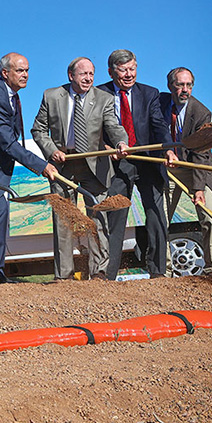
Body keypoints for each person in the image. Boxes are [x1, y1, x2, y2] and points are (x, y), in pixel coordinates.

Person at [31, 57, 128, 281]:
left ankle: (99, 272)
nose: (88, 78)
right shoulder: (51, 96)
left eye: (91, 74)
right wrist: (51, 150)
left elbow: (113, 126)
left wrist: (121, 143)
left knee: (98, 217)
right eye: (83, 74)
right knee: (64, 220)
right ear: (71, 75)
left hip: (95, 165)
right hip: (63, 165)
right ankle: (63, 276)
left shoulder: (104, 98)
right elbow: (39, 129)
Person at [0, 53, 58, 285]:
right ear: (5, 73)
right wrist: (41, 165)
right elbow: (7, 143)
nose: (25, 75)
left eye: (27, 70)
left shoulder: (9, 95)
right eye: (20, 70)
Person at [98, 49, 177, 280]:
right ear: (111, 71)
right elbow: (93, 127)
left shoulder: (149, 93)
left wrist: (168, 148)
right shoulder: (100, 93)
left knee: (155, 213)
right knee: (116, 215)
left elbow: (159, 125)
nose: (129, 74)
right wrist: (104, 146)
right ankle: (108, 273)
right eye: (123, 70)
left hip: (147, 160)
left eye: (132, 68)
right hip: (117, 164)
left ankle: (158, 271)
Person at [160, 67, 212, 274]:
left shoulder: (201, 113)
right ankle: (164, 270)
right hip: (169, 169)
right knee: (160, 218)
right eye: (180, 85)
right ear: (170, 86)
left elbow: (200, 153)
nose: (185, 90)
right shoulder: (159, 104)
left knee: (210, 218)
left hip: (199, 169)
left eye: (189, 85)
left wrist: (198, 188)